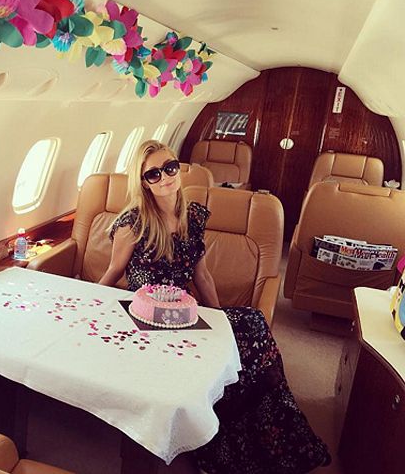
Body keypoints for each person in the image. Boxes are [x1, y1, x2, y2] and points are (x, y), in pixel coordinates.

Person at [99, 140, 330, 474]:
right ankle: (225, 447)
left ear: (178, 167)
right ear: (143, 182)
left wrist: (219, 318)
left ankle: (271, 435)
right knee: (247, 337)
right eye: (153, 174)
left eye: (170, 167)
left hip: (185, 314)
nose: (165, 177)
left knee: (252, 325)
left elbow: (202, 275)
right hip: (146, 321)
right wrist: (92, 308)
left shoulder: (192, 217)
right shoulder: (132, 223)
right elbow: (113, 272)